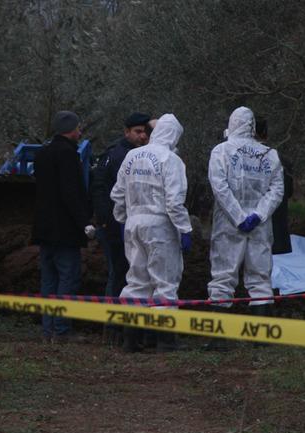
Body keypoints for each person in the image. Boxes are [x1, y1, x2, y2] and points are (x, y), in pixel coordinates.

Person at [110, 113, 193, 352]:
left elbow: (117, 194)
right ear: (175, 135)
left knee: (136, 281)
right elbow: (174, 202)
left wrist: (123, 219)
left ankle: (131, 341)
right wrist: (185, 229)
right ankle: (165, 341)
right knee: (164, 282)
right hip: (160, 227)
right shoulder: (171, 159)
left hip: (133, 224)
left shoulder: (132, 155)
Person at [207, 107, 284, 319]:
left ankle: (219, 337)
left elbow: (219, 187)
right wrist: (258, 215)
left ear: (231, 123)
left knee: (223, 276)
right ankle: (262, 334)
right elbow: (277, 190)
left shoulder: (221, 151)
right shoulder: (269, 154)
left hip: (228, 224)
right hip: (259, 226)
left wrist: (238, 217)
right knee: (260, 277)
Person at [32, 110, 91, 343]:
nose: (80, 131)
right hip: (64, 230)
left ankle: (48, 330)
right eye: (78, 127)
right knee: (67, 278)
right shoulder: (68, 155)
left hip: (44, 229)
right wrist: (84, 222)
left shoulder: (43, 154)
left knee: (48, 279)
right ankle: (61, 330)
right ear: (71, 129)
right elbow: (71, 193)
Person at [91, 113, 151, 298]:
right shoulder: (117, 156)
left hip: (129, 224)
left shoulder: (136, 154)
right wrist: (105, 220)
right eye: (138, 131)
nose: (143, 136)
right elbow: (101, 189)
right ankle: (114, 323)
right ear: (127, 132)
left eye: (145, 132)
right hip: (115, 226)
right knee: (119, 273)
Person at [254, 117, 293, 255]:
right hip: (278, 226)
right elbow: (288, 192)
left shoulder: (246, 159)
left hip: (256, 226)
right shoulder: (283, 160)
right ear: (266, 134)